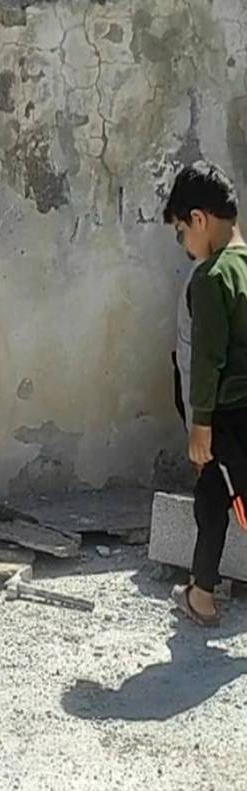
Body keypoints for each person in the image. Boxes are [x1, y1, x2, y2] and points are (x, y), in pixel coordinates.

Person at [164, 162, 247, 627]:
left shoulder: (211, 277)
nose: (184, 245)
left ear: (199, 219)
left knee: (224, 499)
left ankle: (202, 595)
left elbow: (207, 359)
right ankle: (200, 595)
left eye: (182, 231)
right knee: (211, 498)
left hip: (228, 418)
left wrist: (200, 426)